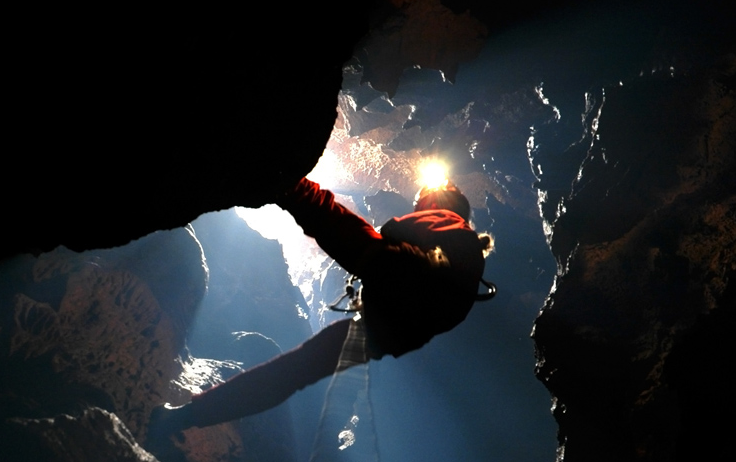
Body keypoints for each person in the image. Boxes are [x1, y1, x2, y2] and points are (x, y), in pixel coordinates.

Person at [150, 176, 494, 435]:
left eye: (422, 200)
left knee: (335, 223)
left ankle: (286, 181)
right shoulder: (467, 250)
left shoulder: (451, 223)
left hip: (411, 282)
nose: (418, 204)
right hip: (402, 328)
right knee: (297, 368)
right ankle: (183, 417)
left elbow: (390, 234)